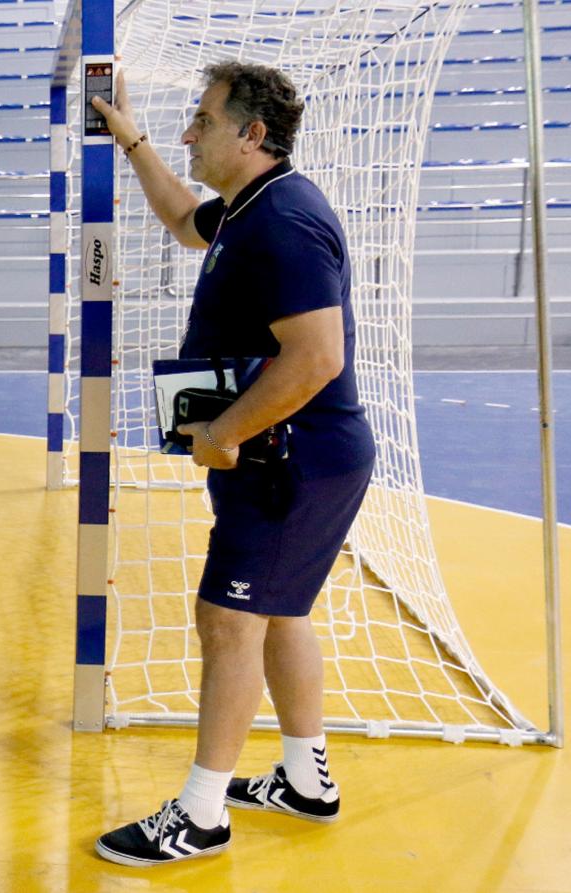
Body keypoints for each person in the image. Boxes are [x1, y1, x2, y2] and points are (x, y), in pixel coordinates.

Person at [90, 63, 376, 866]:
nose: (189, 134)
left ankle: (201, 813)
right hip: (293, 455)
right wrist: (134, 139)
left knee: (228, 618)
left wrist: (226, 431)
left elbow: (317, 356)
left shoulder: (285, 222)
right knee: (280, 613)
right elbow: (185, 220)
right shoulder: (252, 206)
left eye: (202, 121)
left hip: (289, 457)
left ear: (252, 135)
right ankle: (305, 779)